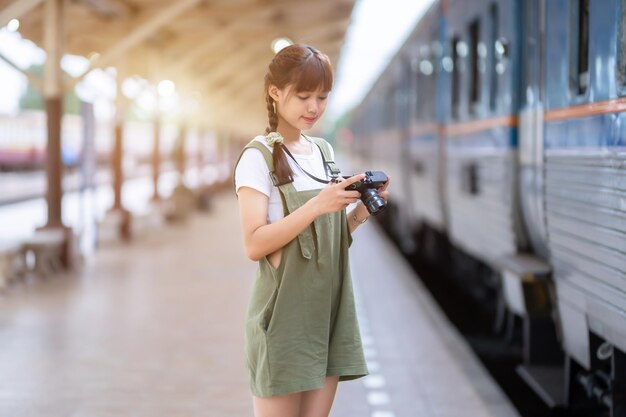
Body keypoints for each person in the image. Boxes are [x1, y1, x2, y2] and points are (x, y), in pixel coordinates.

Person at [234, 44, 390, 417]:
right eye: (303, 96)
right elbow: (254, 245)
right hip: (285, 317)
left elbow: (330, 242)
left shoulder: (322, 151)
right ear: (275, 92)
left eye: (321, 97)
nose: (314, 107)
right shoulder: (257, 158)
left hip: (328, 311)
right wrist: (318, 204)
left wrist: (359, 210)